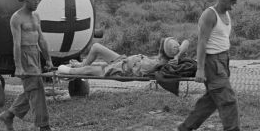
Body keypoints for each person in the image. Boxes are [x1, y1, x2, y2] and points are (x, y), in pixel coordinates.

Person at [177, 0, 247, 131]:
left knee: (212, 99)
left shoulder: (226, 14)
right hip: (211, 62)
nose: (234, 2)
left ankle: (186, 127)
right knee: (228, 100)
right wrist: (200, 69)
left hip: (223, 60)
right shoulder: (209, 15)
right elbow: (202, 42)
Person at [0, 0, 53, 131]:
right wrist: (18, 66)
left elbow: (41, 39)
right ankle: (44, 126)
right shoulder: (16, 18)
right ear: (26, 0)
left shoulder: (36, 16)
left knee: (32, 88)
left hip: (35, 52)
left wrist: (48, 59)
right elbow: (16, 43)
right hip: (24, 54)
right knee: (37, 88)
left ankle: (8, 115)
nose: (37, 2)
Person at [57, 37, 189, 77]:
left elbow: (186, 43)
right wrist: (177, 55)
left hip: (118, 70)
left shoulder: (159, 64)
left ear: (162, 50)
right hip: (122, 60)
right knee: (96, 47)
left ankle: (68, 69)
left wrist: (175, 56)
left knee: (87, 71)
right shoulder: (165, 59)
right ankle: (80, 64)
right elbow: (186, 42)